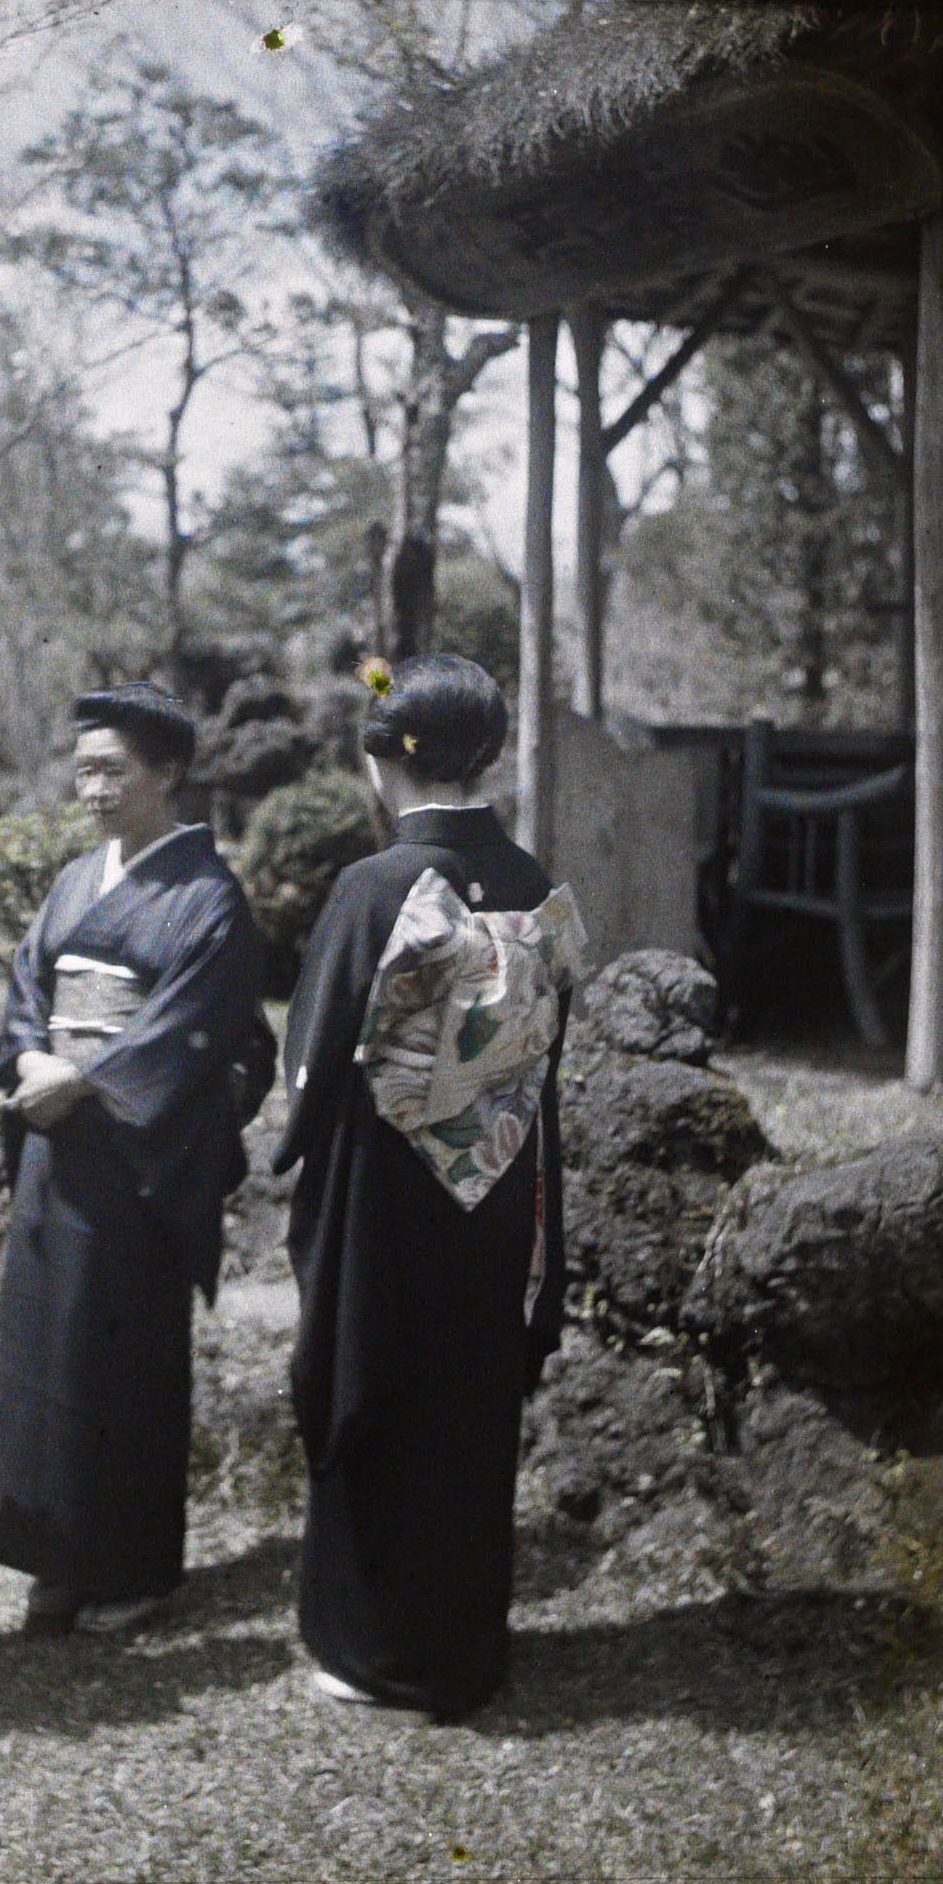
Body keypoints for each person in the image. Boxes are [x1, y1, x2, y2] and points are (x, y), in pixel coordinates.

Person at [272, 654, 586, 1722]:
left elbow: (311, 1064)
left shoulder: (372, 889)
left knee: (376, 1393)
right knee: (467, 1411)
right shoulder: (535, 881)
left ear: (384, 767)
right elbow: (551, 1039)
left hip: (386, 1197)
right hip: (496, 1183)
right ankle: (462, 1647)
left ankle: (372, 1651)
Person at [0, 682, 269, 1636]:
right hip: (55, 1140)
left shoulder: (208, 897)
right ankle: (52, 1560)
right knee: (43, 1353)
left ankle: (133, 1569)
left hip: (139, 1155)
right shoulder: (71, 881)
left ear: (169, 773)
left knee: (123, 1358)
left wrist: (89, 1082)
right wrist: (28, 1056)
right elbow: (28, 981)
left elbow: (192, 1027)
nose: (93, 789)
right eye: (83, 770)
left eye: (113, 769)